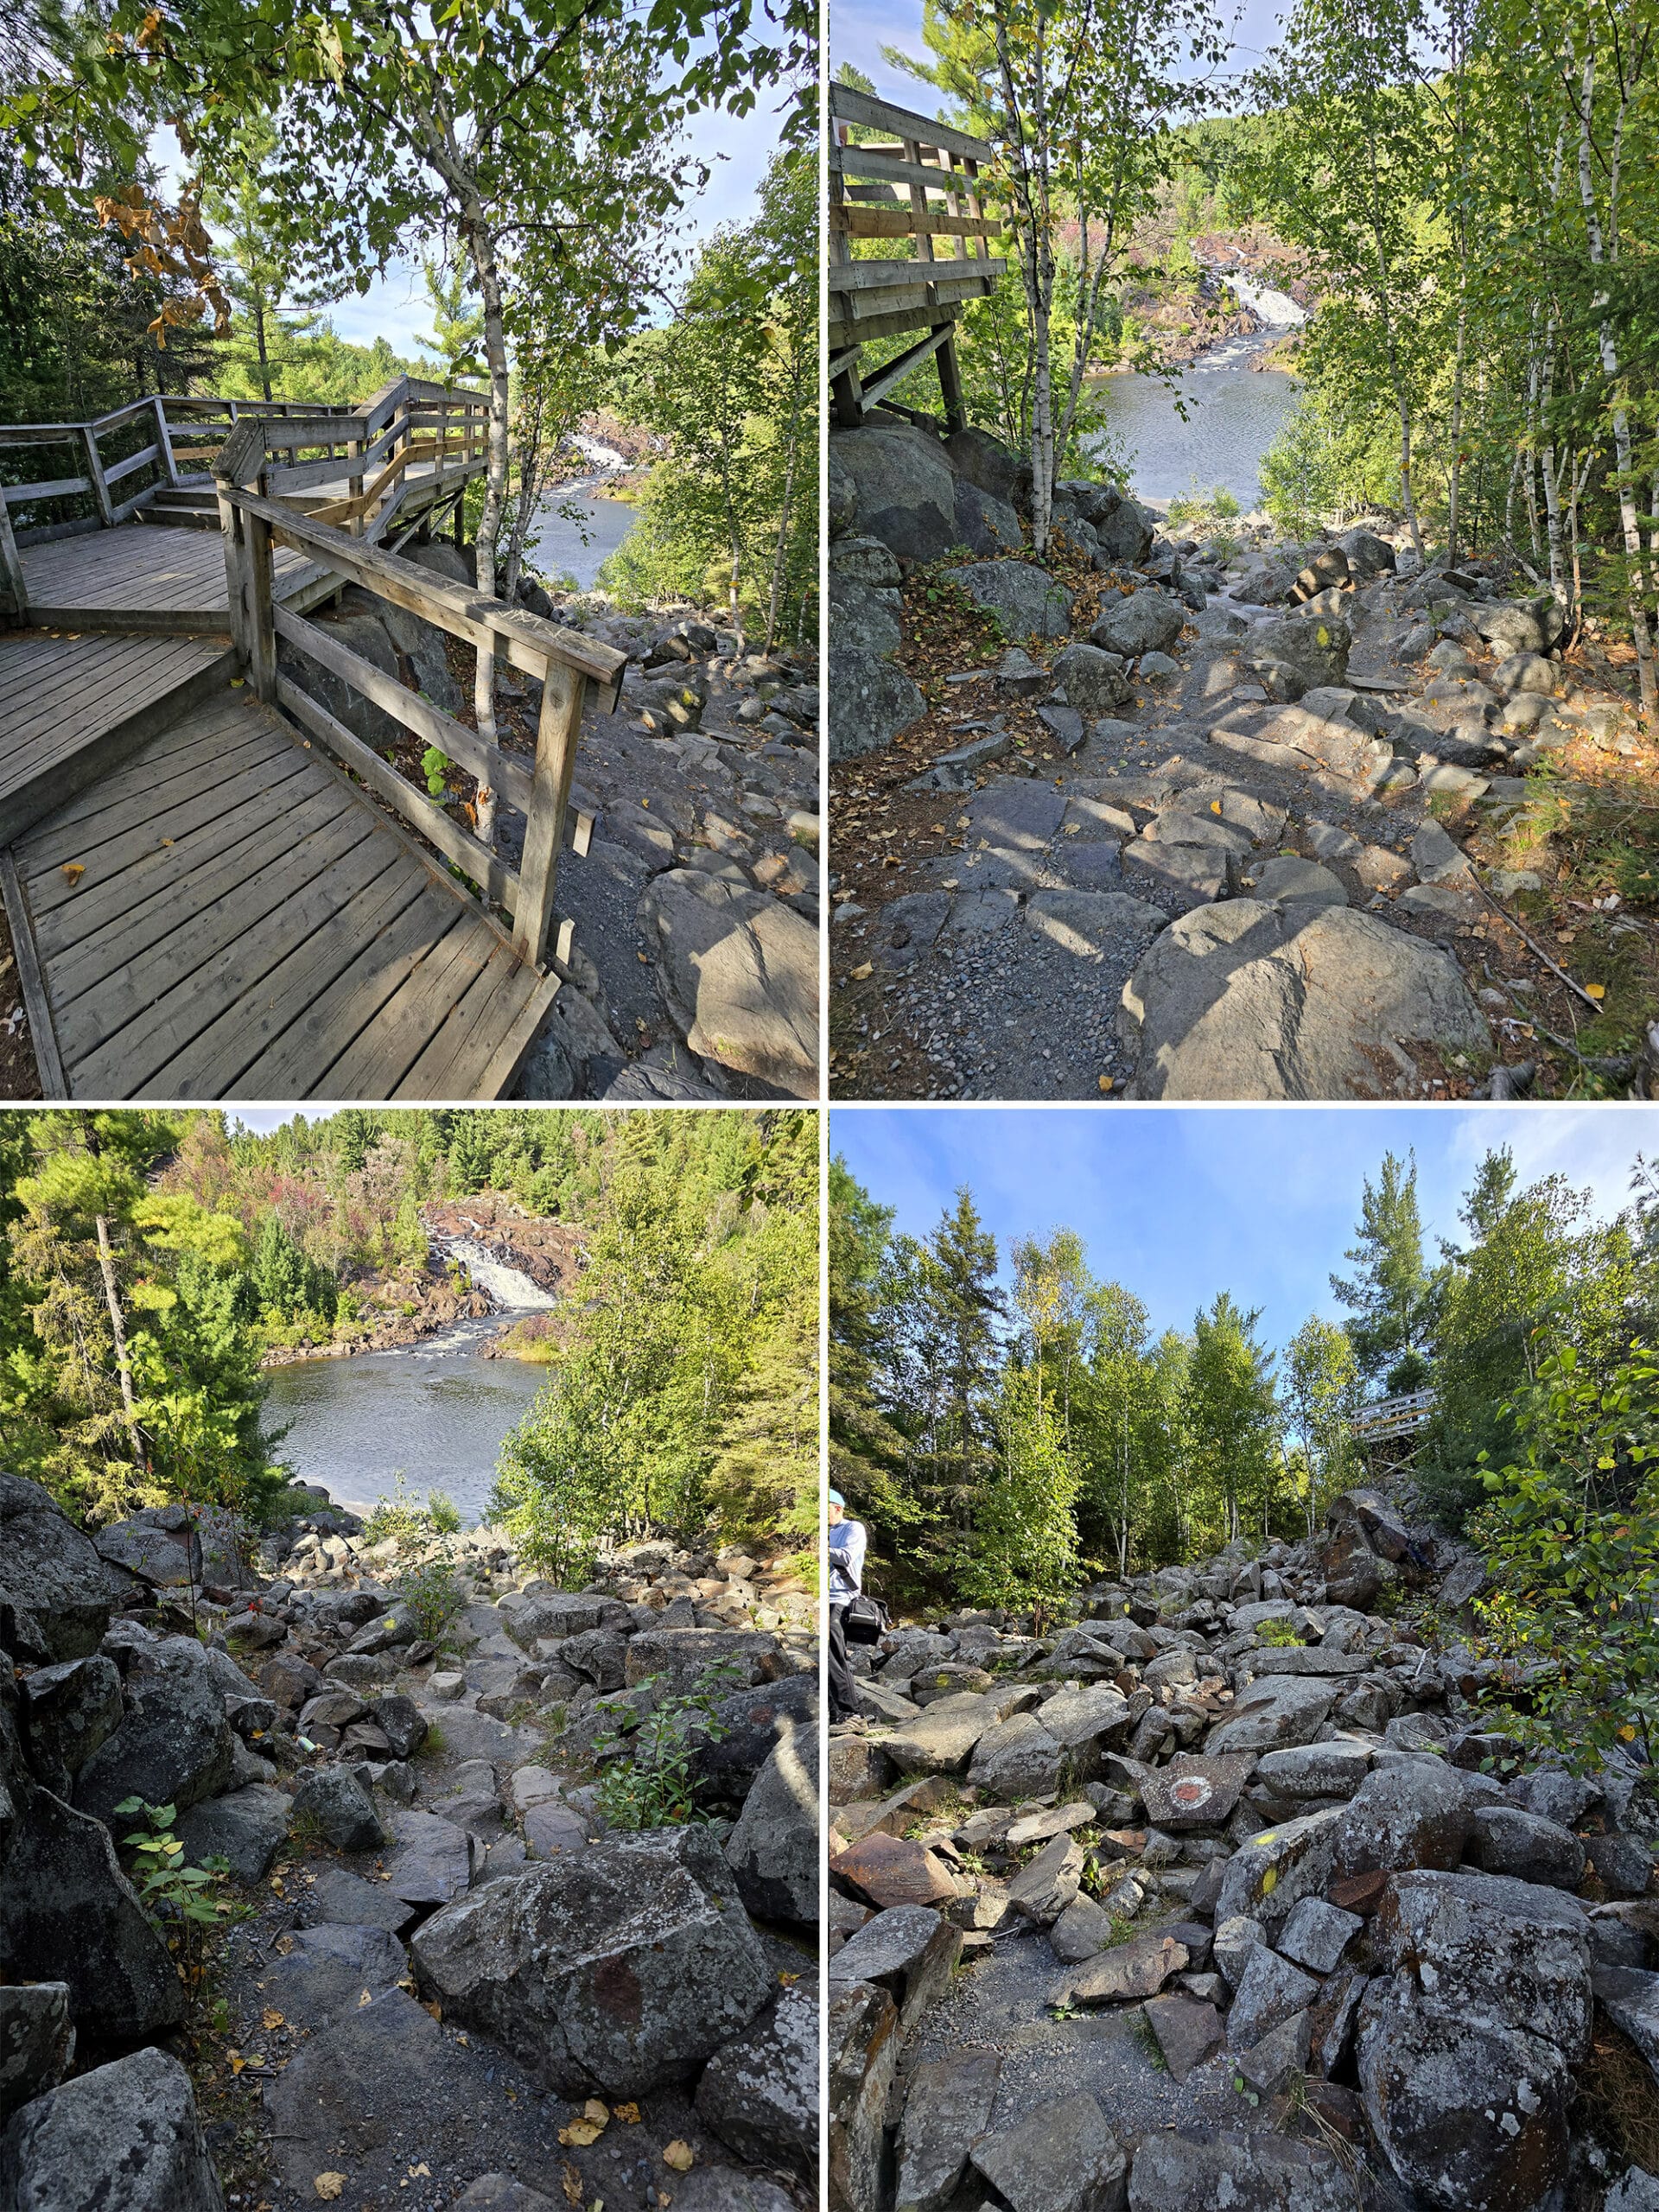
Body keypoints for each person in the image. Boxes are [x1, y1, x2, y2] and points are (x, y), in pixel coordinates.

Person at [827, 1489, 867, 1726]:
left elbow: (846, 1557)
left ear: (837, 1508)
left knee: (833, 1655)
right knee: (829, 1656)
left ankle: (851, 1713)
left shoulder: (853, 1529)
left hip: (841, 1598)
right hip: (824, 1599)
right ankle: (836, 1715)